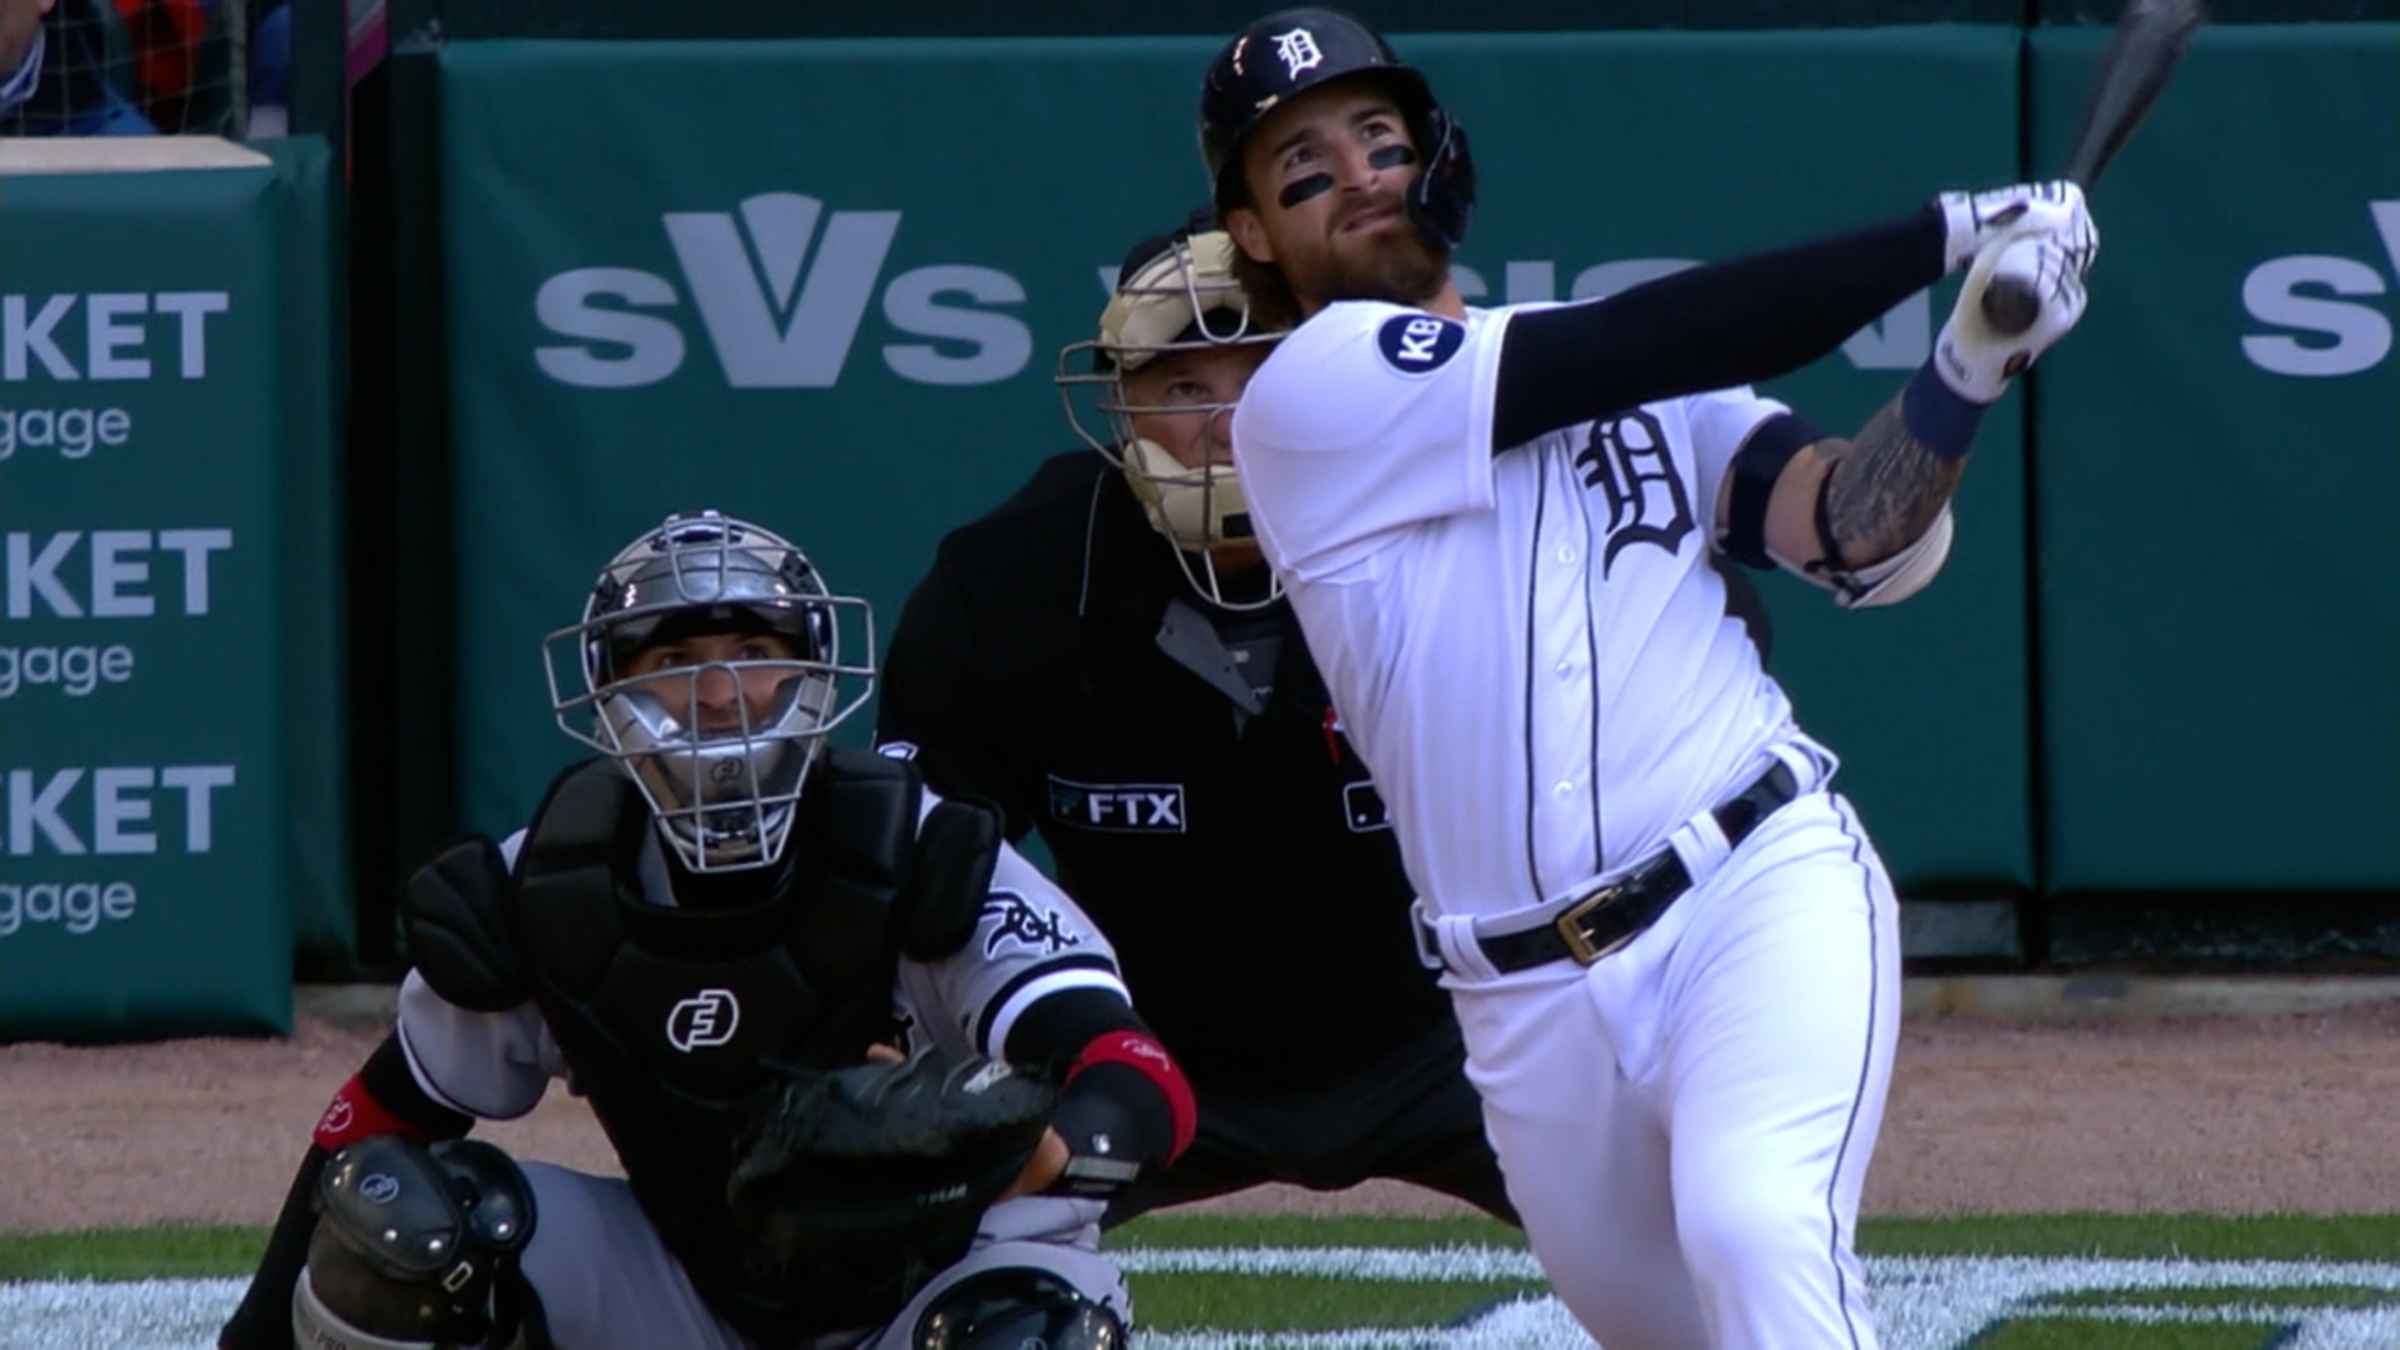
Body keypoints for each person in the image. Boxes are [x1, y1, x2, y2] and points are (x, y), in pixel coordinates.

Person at [1194, 8, 2097, 1349]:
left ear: (1438, 153)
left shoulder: (1622, 361)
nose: (1361, 172)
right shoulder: (1307, 398)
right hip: (1522, 1002)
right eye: (1304, 168)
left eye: (1380, 138)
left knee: (1758, 1229)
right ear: (1258, 235)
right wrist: (1943, 236)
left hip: (1750, 878)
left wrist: (1966, 369)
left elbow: (1845, 522)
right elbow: (1633, 351)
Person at [218, 510, 1191, 1350]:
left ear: (811, 673)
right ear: (609, 693)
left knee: (1026, 1331)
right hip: (685, 1285)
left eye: (752, 659)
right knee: (405, 1229)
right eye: (674, 663)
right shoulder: (548, 879)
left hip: (937, 1280)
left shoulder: (922, 848)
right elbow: (384, 1115)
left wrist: (1042, 1150)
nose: (718, 697)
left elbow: (1140, 1075)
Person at [880, 216, 1525, 1228]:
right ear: (1123, 402)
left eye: (1267, 375)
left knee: (1688, 1226)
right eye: (1184, 386)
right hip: (1134, 1052)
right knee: (907, 1237)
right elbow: (924, 862)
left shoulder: (1469, 551)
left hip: (1467, 1040)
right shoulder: (1015, 579)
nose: (1228, 421)